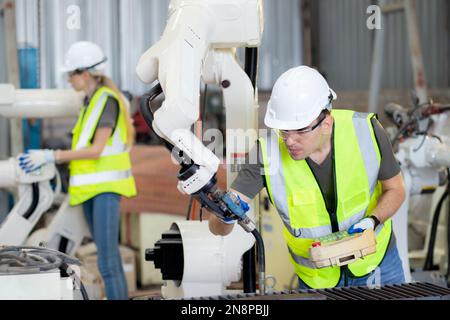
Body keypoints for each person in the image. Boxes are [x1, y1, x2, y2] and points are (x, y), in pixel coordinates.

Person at [209, 65, 406, 289]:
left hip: (378, 265)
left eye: (300, 130)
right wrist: (225, 215)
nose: (289, 140)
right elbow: (218, 227)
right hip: (317, 281)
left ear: (326, 123)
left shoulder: (366, 131)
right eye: (283, 130)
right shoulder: (266, 154)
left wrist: (372, 221)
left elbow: (396, 190)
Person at [18, 41, 137, 300]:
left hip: (106, 189)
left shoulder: (107, 101)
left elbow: (96, 150)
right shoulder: (90, 102)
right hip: (89, 191)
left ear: (85, 73)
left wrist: (52, 155)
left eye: (71, 74)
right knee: (106, 259)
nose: (69, 79)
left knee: (107, 260)